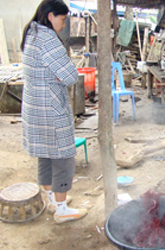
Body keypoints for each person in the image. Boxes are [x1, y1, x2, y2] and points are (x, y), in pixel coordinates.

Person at [20, 0, 87, 223]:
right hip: (50, 108)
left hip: (34, 107)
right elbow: (70, 76)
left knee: (46, 155)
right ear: (50, 16)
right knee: (63, 157)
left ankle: (52, 200)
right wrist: (63, 73)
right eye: (63, 18)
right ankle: (61, 209)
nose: (63, 23)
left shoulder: (31, 35)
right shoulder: (48, 40)